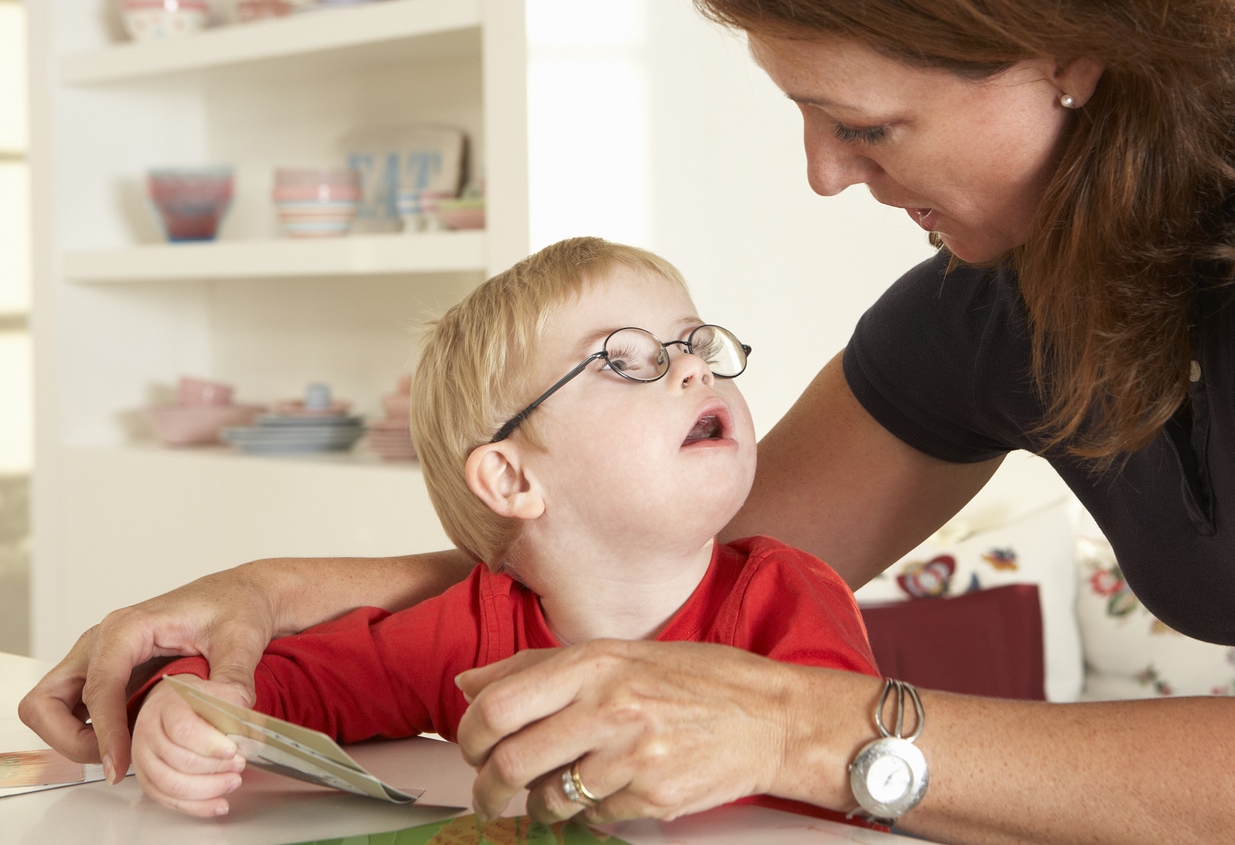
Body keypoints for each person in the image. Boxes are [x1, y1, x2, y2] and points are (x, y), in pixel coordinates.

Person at [21, 0, 1235, 840]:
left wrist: (796, 722)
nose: (828, 176)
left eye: (868, 123)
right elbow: (661, 542)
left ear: (1064, 41)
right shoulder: (1026, 289)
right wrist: (274, 590)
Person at [121, 236, 877, 818]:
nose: (694, 370)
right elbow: (290, 683)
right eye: (624, 359)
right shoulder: (470, 628)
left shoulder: (791, 596)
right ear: (512, 478)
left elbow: (850, 792)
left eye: (694, 343)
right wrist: (186, 702)